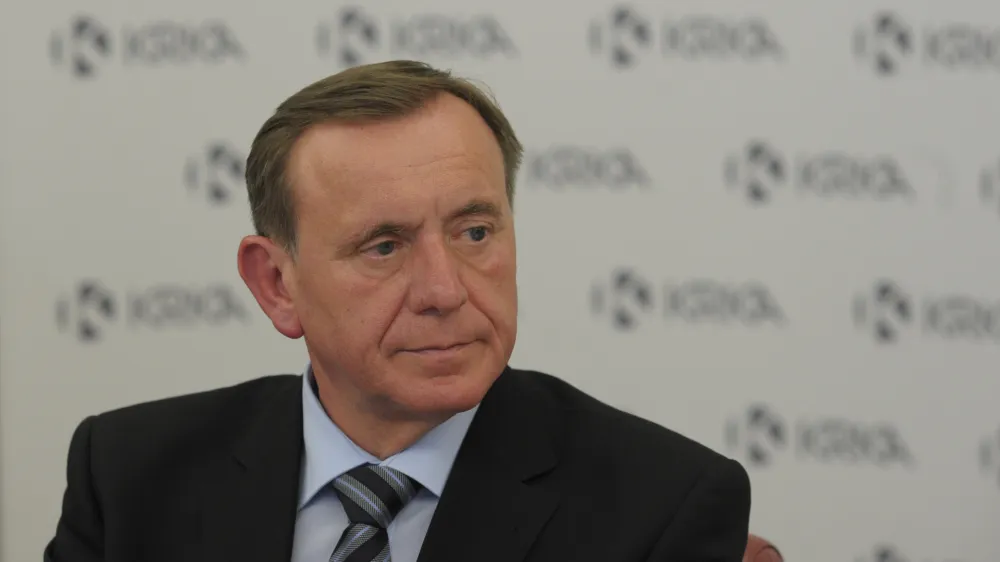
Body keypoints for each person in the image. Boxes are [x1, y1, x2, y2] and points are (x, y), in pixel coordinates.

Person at [44, 60, 751, 562]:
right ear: (277, 284)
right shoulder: (130, 476)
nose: (445, 290)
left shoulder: (663, 506)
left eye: (475, 232)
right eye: (384, 246)